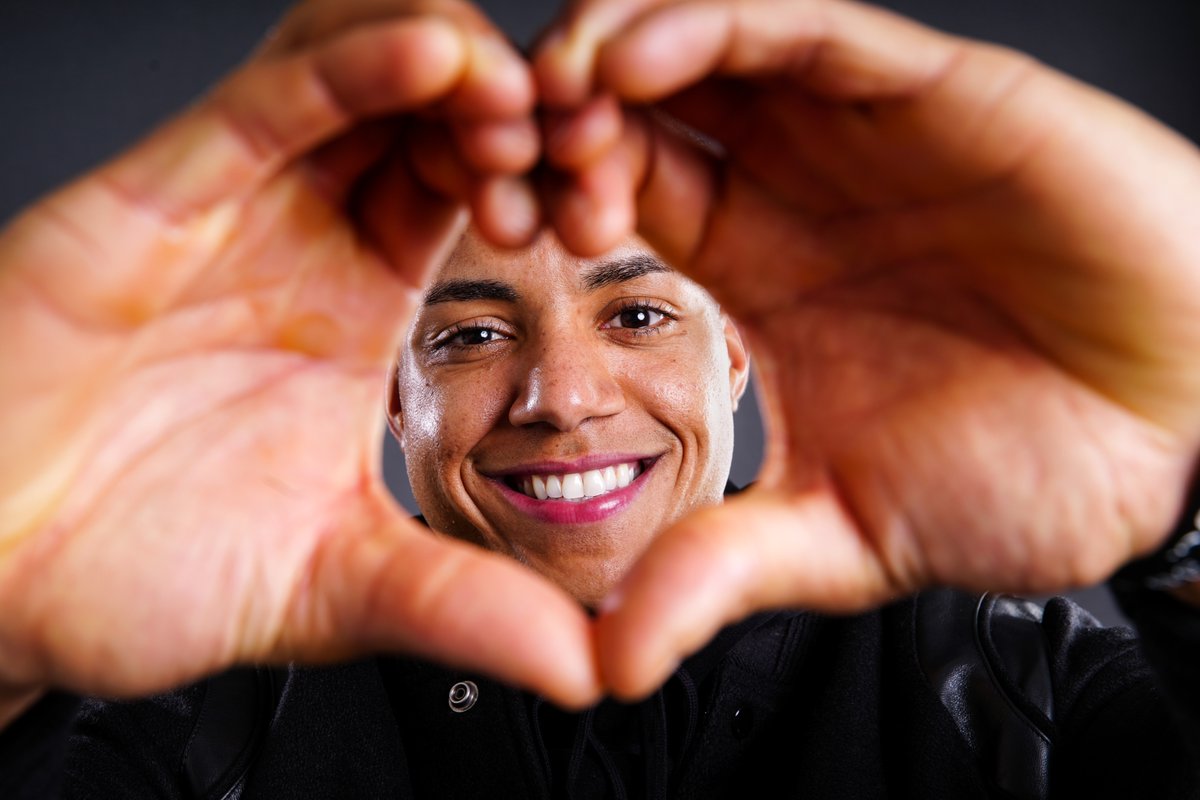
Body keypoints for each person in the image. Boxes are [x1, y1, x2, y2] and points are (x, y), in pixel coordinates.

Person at [1, 0, 1200, 796]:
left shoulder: (1010, 677)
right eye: (472, 334)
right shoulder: (201, 700)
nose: (562, 397)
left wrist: (1179, 485)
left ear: (737, 349)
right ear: (390, 394)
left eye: (636, 314)